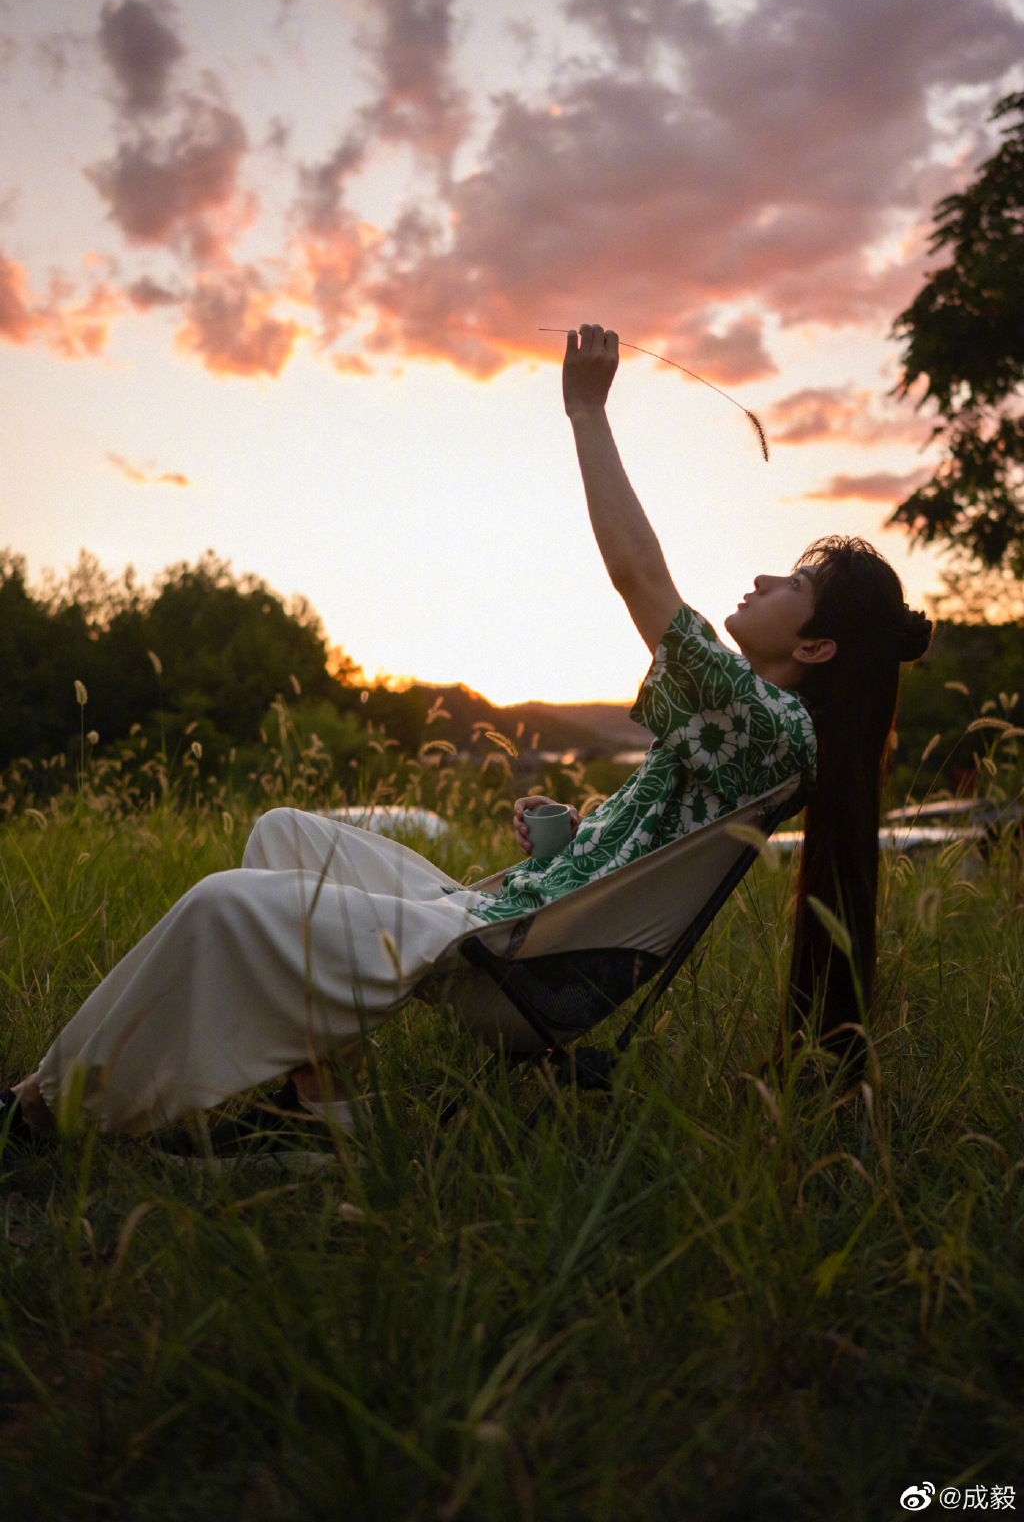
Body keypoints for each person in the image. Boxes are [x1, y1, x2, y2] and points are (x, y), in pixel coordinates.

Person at [0, 324, 930, 1154]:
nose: (766, 575)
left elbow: (639, 576)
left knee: (222, 903)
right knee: (286, 832)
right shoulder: (743, 732)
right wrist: (574, 838)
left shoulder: (772, 728)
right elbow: (647, 857)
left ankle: (42, 1109)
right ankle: (317, 1108)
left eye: (793, 584)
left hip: (513, 964)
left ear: (814, 645)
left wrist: (585, 414)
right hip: (520, 926)